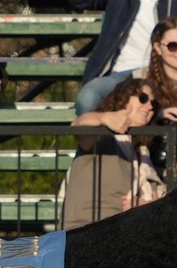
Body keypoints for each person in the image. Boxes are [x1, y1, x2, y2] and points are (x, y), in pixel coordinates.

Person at [61, 79, 165, 227]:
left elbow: (157, 198)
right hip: (84, 231)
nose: (149, 107)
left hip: (122, 233)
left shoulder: (141, 152)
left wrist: (147, 206)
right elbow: (79, 126)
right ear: (124, 97)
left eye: (153, 105)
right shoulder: (103, 135)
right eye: (143, 98)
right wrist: (104, 117)